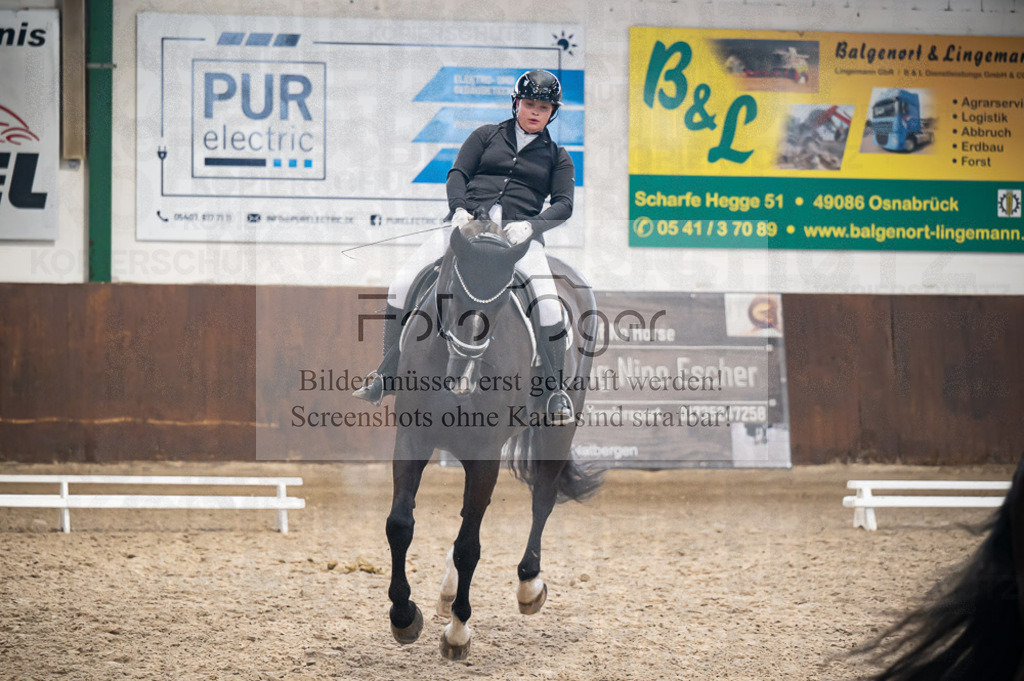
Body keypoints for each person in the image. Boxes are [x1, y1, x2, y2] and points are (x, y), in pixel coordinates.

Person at [353, 69, 575, 424]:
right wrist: (458, 208)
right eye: (530, 104)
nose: (535, 112)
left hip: (518, 240)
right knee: (401, 284)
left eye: (544, 107)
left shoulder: (558, 156)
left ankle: (555, 392)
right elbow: (458, 174)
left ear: (552, 112)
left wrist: (531, 227)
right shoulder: (485, 136)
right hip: (466, 228)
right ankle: (387, 373)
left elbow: (564, 204)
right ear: (516, 103)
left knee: (549, 308)